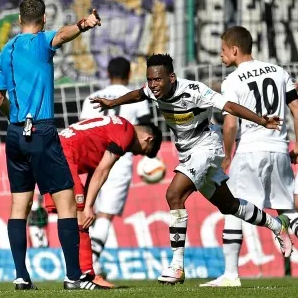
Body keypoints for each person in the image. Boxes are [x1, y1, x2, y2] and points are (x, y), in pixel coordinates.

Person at [90, 53, 293, 285]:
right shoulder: (152, 89)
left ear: (172, 77)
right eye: (150, 79)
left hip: (206, 145)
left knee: (174, 194)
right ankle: (277, 225)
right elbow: (137, 94)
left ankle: (177, 266)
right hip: (187, 152)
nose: (153, 85)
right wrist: (113, 103)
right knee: (230, 206)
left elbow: (229, 106)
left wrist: (261, 120)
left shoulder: (195, 91)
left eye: (158, 79)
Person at [0, 0, 105, 290]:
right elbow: (65, 34)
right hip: (41, 130)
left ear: (18, 20)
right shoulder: (41, 42)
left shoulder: (6, 51)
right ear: (42, 21)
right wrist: (86, 23)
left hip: (15, 133)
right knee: (67, 203)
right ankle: (73, 276)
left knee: (19, 206)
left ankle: (20, 275)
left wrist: (14, 118)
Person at [200, 26, 298, 287]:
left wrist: (227, 156)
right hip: (279, 148)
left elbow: (230, 125)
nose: (220, 56)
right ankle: (282, 228)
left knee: (232, 208)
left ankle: (231, 275)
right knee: (288, 208)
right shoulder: (279, 72)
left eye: (222, 51)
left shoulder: (232, 81)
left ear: (234, 49)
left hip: (250, 150)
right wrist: (297, 143)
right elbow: (296, 109)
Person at [43, 116, 163, 288]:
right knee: (81, 220)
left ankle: (74, 276)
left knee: (69, 217)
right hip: (64, 156)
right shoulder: (125, 132)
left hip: (50, 151)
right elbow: (102, 170)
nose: (136, 153)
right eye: (143, 150)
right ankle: (85, 276)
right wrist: (88, 206)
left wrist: (86, 202)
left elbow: (95, 171)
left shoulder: (111, 128)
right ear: (147, 138)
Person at [78, 57, 152, 278]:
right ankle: (90, 263)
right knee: (105, 215)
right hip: (119, 160)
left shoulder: (92, 97)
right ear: (129, 74)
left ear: (107, 74)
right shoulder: (137, 97)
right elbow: (146, 130)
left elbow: (82, 128)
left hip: (93, 161)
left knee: (89, 212)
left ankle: (91, 264)